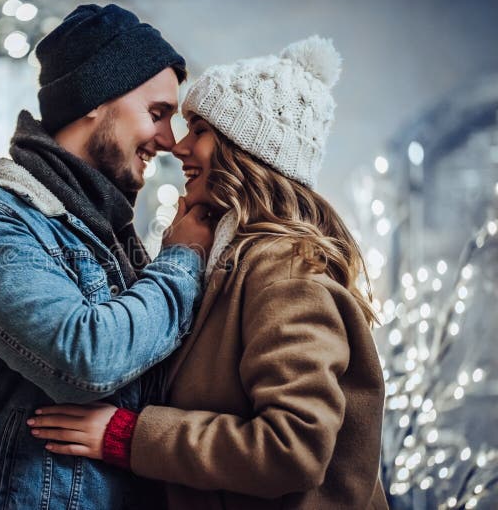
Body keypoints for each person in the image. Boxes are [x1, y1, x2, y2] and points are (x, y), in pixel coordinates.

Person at [28, 36, 390, 509]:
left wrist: (127, 436)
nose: (177, 146)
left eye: (197, 128)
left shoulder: (286, 271)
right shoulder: (227, 261)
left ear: (245, 151)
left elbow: (293, 449)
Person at [0, 4, 215, 509]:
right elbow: (86, 359)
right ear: (95, 101)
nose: (169, 141)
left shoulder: (108, 232)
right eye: (157, 113)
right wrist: (184, 256)